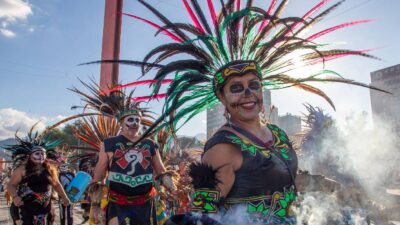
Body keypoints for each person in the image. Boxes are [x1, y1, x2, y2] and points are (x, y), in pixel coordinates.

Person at [125, 0, 388, 224]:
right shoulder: (223, 148)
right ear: (223, 98)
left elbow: (294, 179)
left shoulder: (277, 134)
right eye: (236, 88)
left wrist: (343, 189)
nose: (248, 93)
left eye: (254, 85)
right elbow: (203, 214)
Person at [71, 83, 177, 225]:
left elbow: (161, 171)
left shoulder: (150, 144)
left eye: (137, 120)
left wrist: (172, 188)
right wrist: (95, 205)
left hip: (145, 204)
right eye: (130, 120)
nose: (134, 123)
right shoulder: (109, 144)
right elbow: (99, 176)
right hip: (117, 204)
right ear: (121, 123)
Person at [5, 132, 71, 225]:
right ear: (30, 156)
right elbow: (11, 185)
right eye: (37, 154)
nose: (40, 156)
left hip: (46, 209)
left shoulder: (50, 169)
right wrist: (15, 197)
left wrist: (65, 197)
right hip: (26, 210)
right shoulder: (22, 169)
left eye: (43, 154)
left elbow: (56, 184)